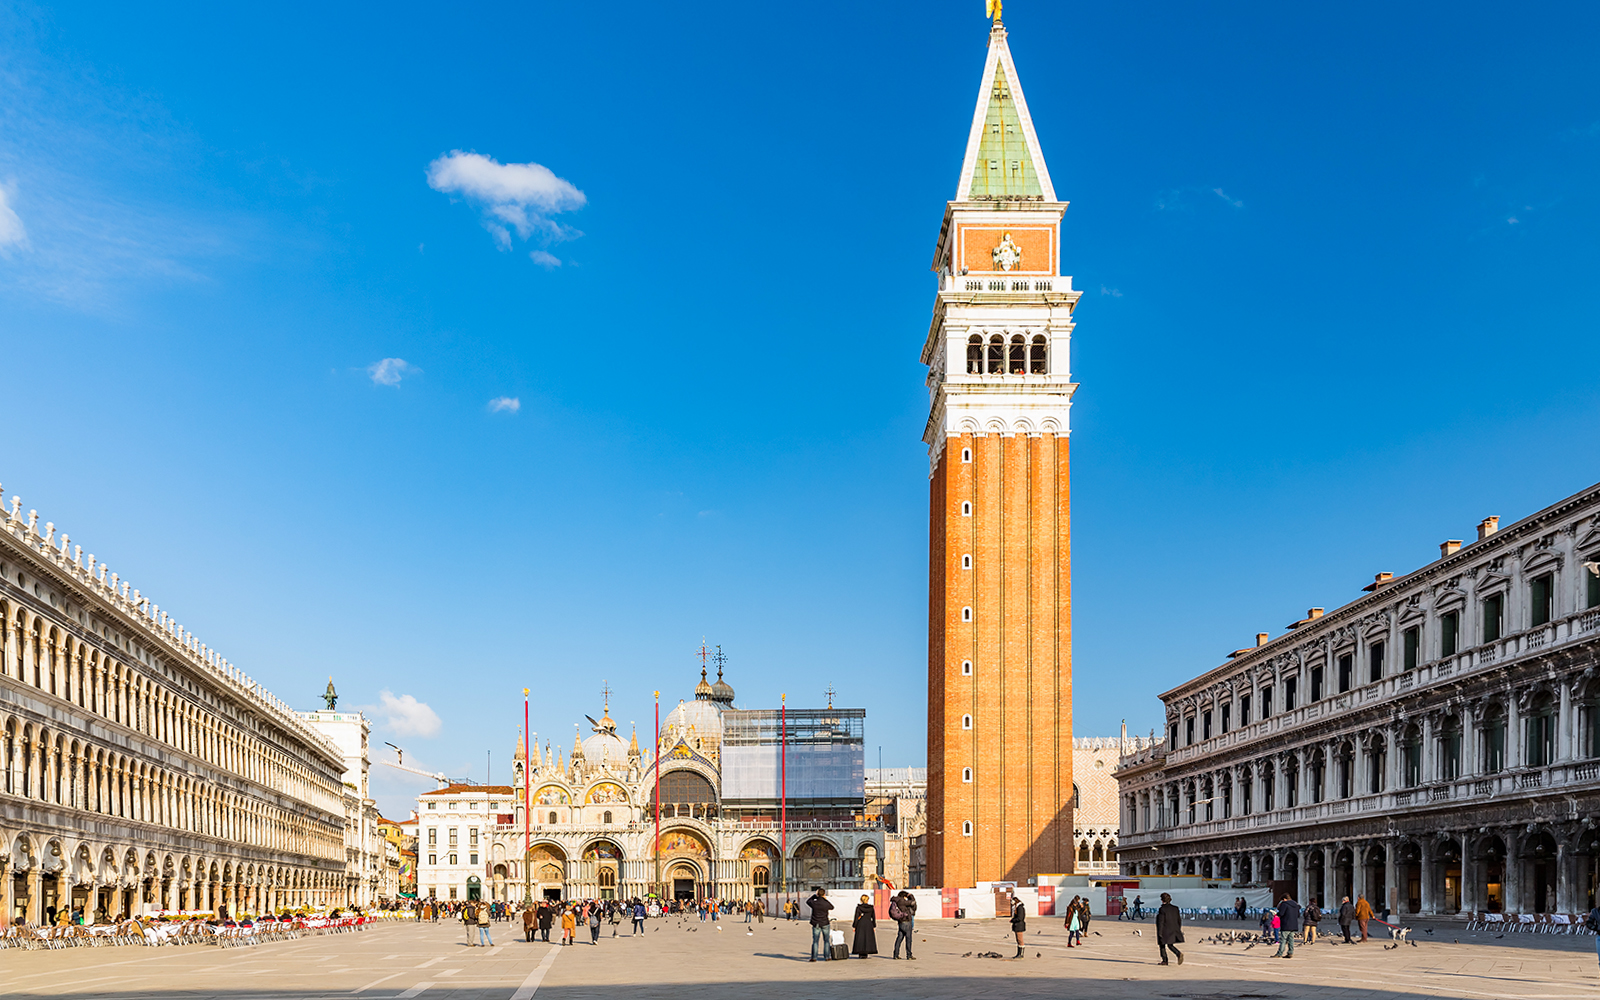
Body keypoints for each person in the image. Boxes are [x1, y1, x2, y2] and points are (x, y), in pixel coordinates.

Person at [1154, 892, 1183, 966]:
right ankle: (1178, 953)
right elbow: (1179, 920)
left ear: (1162, 900)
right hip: (1174, 929)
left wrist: (1159, 932)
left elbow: (1161, 921)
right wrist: (1178, 929)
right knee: (1170, 944)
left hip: (1165, 929)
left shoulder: (1162, 909)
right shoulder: (1175, 908)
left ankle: (1165, 960)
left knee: (1162, 944)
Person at [807, 887, 834, 962]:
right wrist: (824, 899)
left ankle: (814, 957)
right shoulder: (825, 903)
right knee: (826, 941)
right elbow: (832, 907)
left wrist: (814, 896)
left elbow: (808, 901)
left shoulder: (814, 903)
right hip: (825, 923)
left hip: (816, 923)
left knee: (815, 941)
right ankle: (827, 957)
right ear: (824, 894)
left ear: (817, 894)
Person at [890, 890, 917, 960]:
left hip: (901, 921)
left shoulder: (896, 901)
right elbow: (913, 902)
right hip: (906, 921)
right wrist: (910, 895)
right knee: (908, 939)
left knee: (899, 938)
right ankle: (909, 955)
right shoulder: (902, 901)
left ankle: (896, 954)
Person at [850, 894, 878, 958]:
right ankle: (866, 952)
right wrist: (874, 925)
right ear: (867, 900)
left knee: (860, 938)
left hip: (860, 924)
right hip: (869, 924)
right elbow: (873, 917)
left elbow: (856, 917)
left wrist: (854, 926)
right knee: (868, 938)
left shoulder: (859, 908)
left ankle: (861, 953)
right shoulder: (871, 908)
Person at [1274, 894, 1300, 958]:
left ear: (1284, 899)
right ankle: (1290, 952)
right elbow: (1298, 915)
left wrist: (1276, 914)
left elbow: (1281, 913)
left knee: (1283, 939)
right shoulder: (1296, 905)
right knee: (1291, 939)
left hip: (1286, 924)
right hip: (1293, 924)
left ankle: (1279, 953)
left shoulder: (1284, 904)